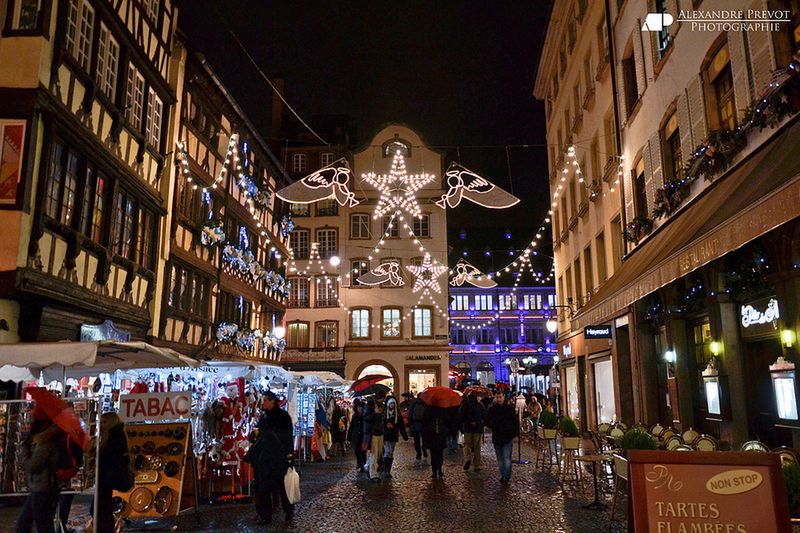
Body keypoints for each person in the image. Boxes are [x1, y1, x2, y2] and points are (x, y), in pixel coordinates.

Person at [16, 409, 68, 533]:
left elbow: (32, 465)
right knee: (28, 523)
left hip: (43, 488)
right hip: (40, 487)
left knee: (40, 524)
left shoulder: (46, 442)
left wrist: (24, 452)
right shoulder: (44, 440)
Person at [253, 391, 295, 525]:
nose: (263, 402)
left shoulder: (282, 416)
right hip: (265, 457)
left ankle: (288, 510)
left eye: (265, 400)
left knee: (283, 486)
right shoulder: (263, 417)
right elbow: (259, 436)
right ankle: (266, 516)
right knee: (264, 488)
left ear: (273, 401)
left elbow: (288, 437)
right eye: (263, 400)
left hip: (279, 457)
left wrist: (289, 454)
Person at [95, 412, 131, 533]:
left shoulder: (114, 436)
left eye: (105, 422)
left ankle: (105, 529)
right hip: (108, 476)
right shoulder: (114, 435)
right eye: (101, 422)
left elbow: (114, 458)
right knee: (101, 506)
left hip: (108, 476)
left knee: (101, 507)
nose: (102, 425)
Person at [484, 391, 519, 483]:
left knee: (507, 458)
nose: (499, 399)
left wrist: (513, 433)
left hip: (507, 437)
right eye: (497, 397)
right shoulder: (492, 409)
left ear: (504, 397)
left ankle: (506, 477)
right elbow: (486, 421)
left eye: (500, 397)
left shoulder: (509, 409)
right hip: (497, 438)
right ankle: (504, 475)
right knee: (500, 459)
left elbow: (515, 423)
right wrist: (493, 425)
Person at [458, 393, 486, 472]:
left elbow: (460, 416)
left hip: (467, 428)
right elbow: (484, 415)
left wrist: (466, 421)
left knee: (466, 445)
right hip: (478, 429)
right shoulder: (480, 405)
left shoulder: (464, 405)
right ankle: (476, 466)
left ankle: (467, 458)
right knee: (477, 447)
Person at [382, 396, 408, 478]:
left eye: (393, 404)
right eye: (391, 404)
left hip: (393, 435)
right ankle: (386, 470)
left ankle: (388, 470)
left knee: (391, 453)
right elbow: (380, 423)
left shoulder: (397, 414)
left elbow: (401, 426)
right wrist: (385, 424)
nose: (392, 405)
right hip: (386, 435)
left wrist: (404, 435)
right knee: (387, 451)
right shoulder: (384, 413)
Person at [422, 404, 449, 479]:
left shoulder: (429, 409)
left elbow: (446, 420)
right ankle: (436, 470)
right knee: (437, 453)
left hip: (436, 435)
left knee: (436, 453)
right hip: (434, 434)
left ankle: (437, 470)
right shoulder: (441, 409)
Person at [363, 398, 385, 483]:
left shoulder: (379, 406)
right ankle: (373, 474)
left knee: (378, 453)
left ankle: (368, 466)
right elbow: (366, 419)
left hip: (380, 432)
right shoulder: (368, 406)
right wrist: (374, 413)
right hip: (372, 433)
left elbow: (381, 419)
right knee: (374, 454)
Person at [347, 399, 367, 473]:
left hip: (363, 436)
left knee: (363, 452)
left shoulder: (365, 416)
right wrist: (349, 437)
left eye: (361, 408)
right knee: (356, 451)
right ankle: (359, 462)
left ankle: (362, 465)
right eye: (359, 407)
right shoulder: (355, 415)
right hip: (355, 436)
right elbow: (351, 426)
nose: (360, 409)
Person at [408, 394, 427, 461]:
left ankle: (418, 453)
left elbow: (410, 414)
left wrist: (410, 424)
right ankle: (424, 449)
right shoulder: (426, 403)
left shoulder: (414, 403)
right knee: (424, 438)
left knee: (416, 439)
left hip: (415, 423)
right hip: (424, 423)